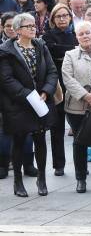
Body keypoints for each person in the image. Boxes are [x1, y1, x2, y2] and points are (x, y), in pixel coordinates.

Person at [0, 12, 58, 197]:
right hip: (19, 103)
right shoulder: (7, 51)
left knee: (40, 140)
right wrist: (28, 95)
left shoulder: (41, 46)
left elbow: (51, 71)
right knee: (19, 141)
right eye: (29, 26)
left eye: (34, 25)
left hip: (40, 101)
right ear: (18, 30)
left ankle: (42, 179)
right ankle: (18, 181)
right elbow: (7, 79)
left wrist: (45, 91)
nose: (33, 28)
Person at [62, 21, 91, 193]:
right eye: (81, 34)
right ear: (77, 37)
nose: (85, 36)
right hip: (77, 107)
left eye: (87, 32)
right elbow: (67, 79)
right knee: (79, 142)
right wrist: (85, 95)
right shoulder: (70, 55)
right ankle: (80, 178)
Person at [42, 2, 76, 176]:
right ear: (53, 19)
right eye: (59, 16)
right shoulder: (47, 36)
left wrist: (61, 51)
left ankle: (80, 163)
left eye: (65, 15)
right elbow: (51, 55)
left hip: (74, 86)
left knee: (79, 127)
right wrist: (69, 51)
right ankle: (59, 164)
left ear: (70, 17)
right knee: (57, 128)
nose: (62, 19)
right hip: (56, 86)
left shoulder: (75, 35)